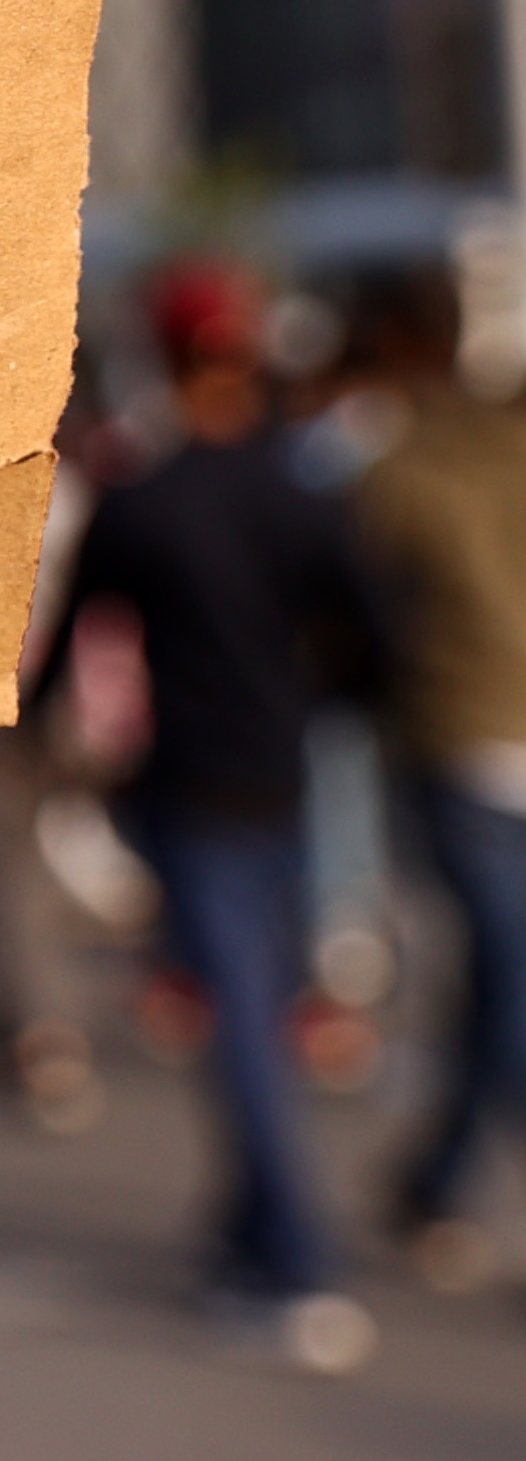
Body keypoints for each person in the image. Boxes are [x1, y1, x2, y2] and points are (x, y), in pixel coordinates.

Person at [50, 260, 387, 1370]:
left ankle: (292, 1258)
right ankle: (247, 1233)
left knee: (241, 1024)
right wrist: (321, 699)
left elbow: (58, 658)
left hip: (186, 792)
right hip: (278, 778)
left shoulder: (145, 503)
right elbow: (375, 635)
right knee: (255, 1008)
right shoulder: (298, 493)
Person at [356, 263, 526, 1291]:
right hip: (466, 744)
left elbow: (361, 614)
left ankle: (439, 1176)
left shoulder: (397, 465)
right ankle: (443, 1179)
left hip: (454, 740)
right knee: (506, 981)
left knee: (500, 983)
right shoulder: (418, 463)